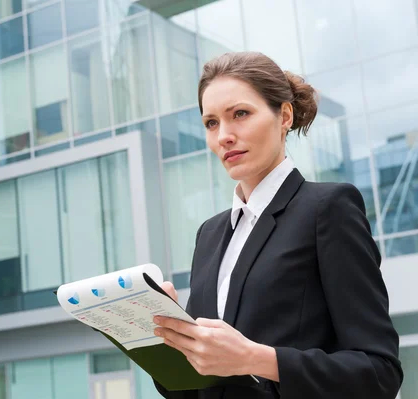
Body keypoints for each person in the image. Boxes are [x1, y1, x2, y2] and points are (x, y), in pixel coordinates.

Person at [152, 52, 403, 399]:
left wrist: (257, 359)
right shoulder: (209, 235)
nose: (224, 135)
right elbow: (194, 390)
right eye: (211, 123)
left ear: (284, 116)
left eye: (240, 114)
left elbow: (379, 373)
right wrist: (166, 337)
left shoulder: (327, 210)